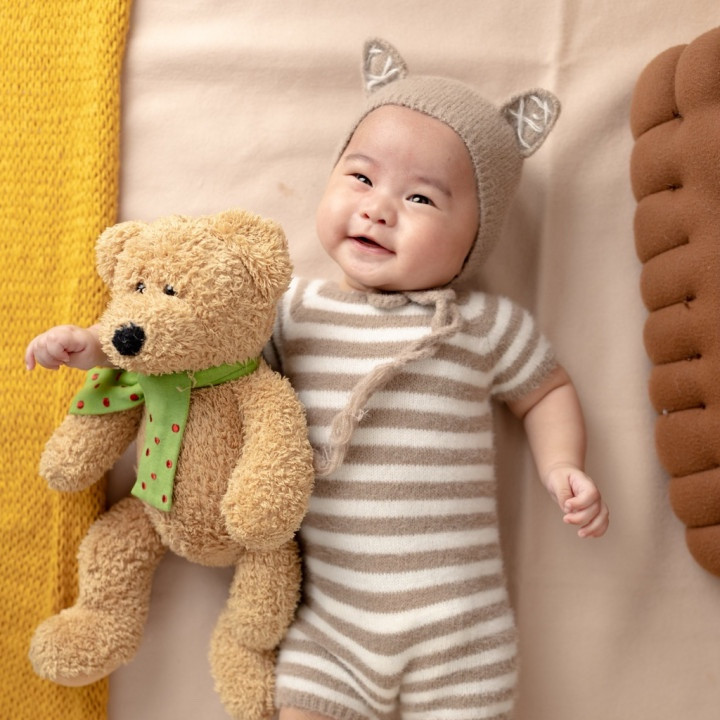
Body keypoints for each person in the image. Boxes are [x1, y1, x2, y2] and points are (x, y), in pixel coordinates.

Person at [26, 39, 608, 720]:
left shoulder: (481, 325)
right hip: (332, 628)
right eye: (361, 178)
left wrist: (562, 465)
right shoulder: (295, 309)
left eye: (421, 197)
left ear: (478, 236)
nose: (378, 209)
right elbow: (197, 351)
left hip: (460, 632)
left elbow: (546, 391)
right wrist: (95, 347)